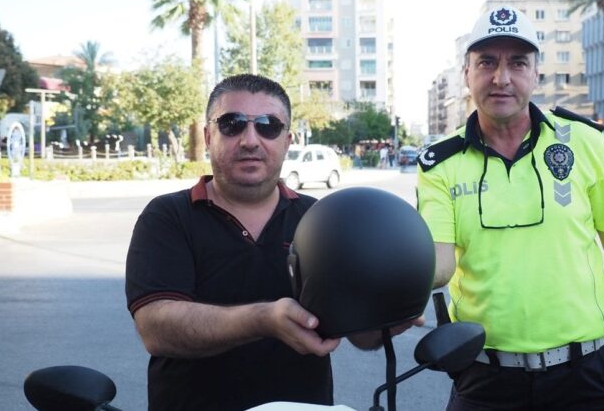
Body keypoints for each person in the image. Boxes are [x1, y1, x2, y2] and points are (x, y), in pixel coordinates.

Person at [416, 7, 604, 410]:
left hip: (588, 377)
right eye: (487, 62)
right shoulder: (440, 163)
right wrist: (395, 284)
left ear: (536, 74)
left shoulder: (583, 142)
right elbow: (438, 262)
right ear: (467, 74)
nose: (501, 78)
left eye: (517, 63)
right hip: (486, 381)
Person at [125, 74, 411, 411]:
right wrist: (263, 319)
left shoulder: (320, 218)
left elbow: (359, 334)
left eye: (268, 125)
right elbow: (157, 328)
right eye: (231, 124)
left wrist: (392, 312)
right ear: (207, 136)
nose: (250, 140)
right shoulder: (168, 216)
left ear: (288, 140)